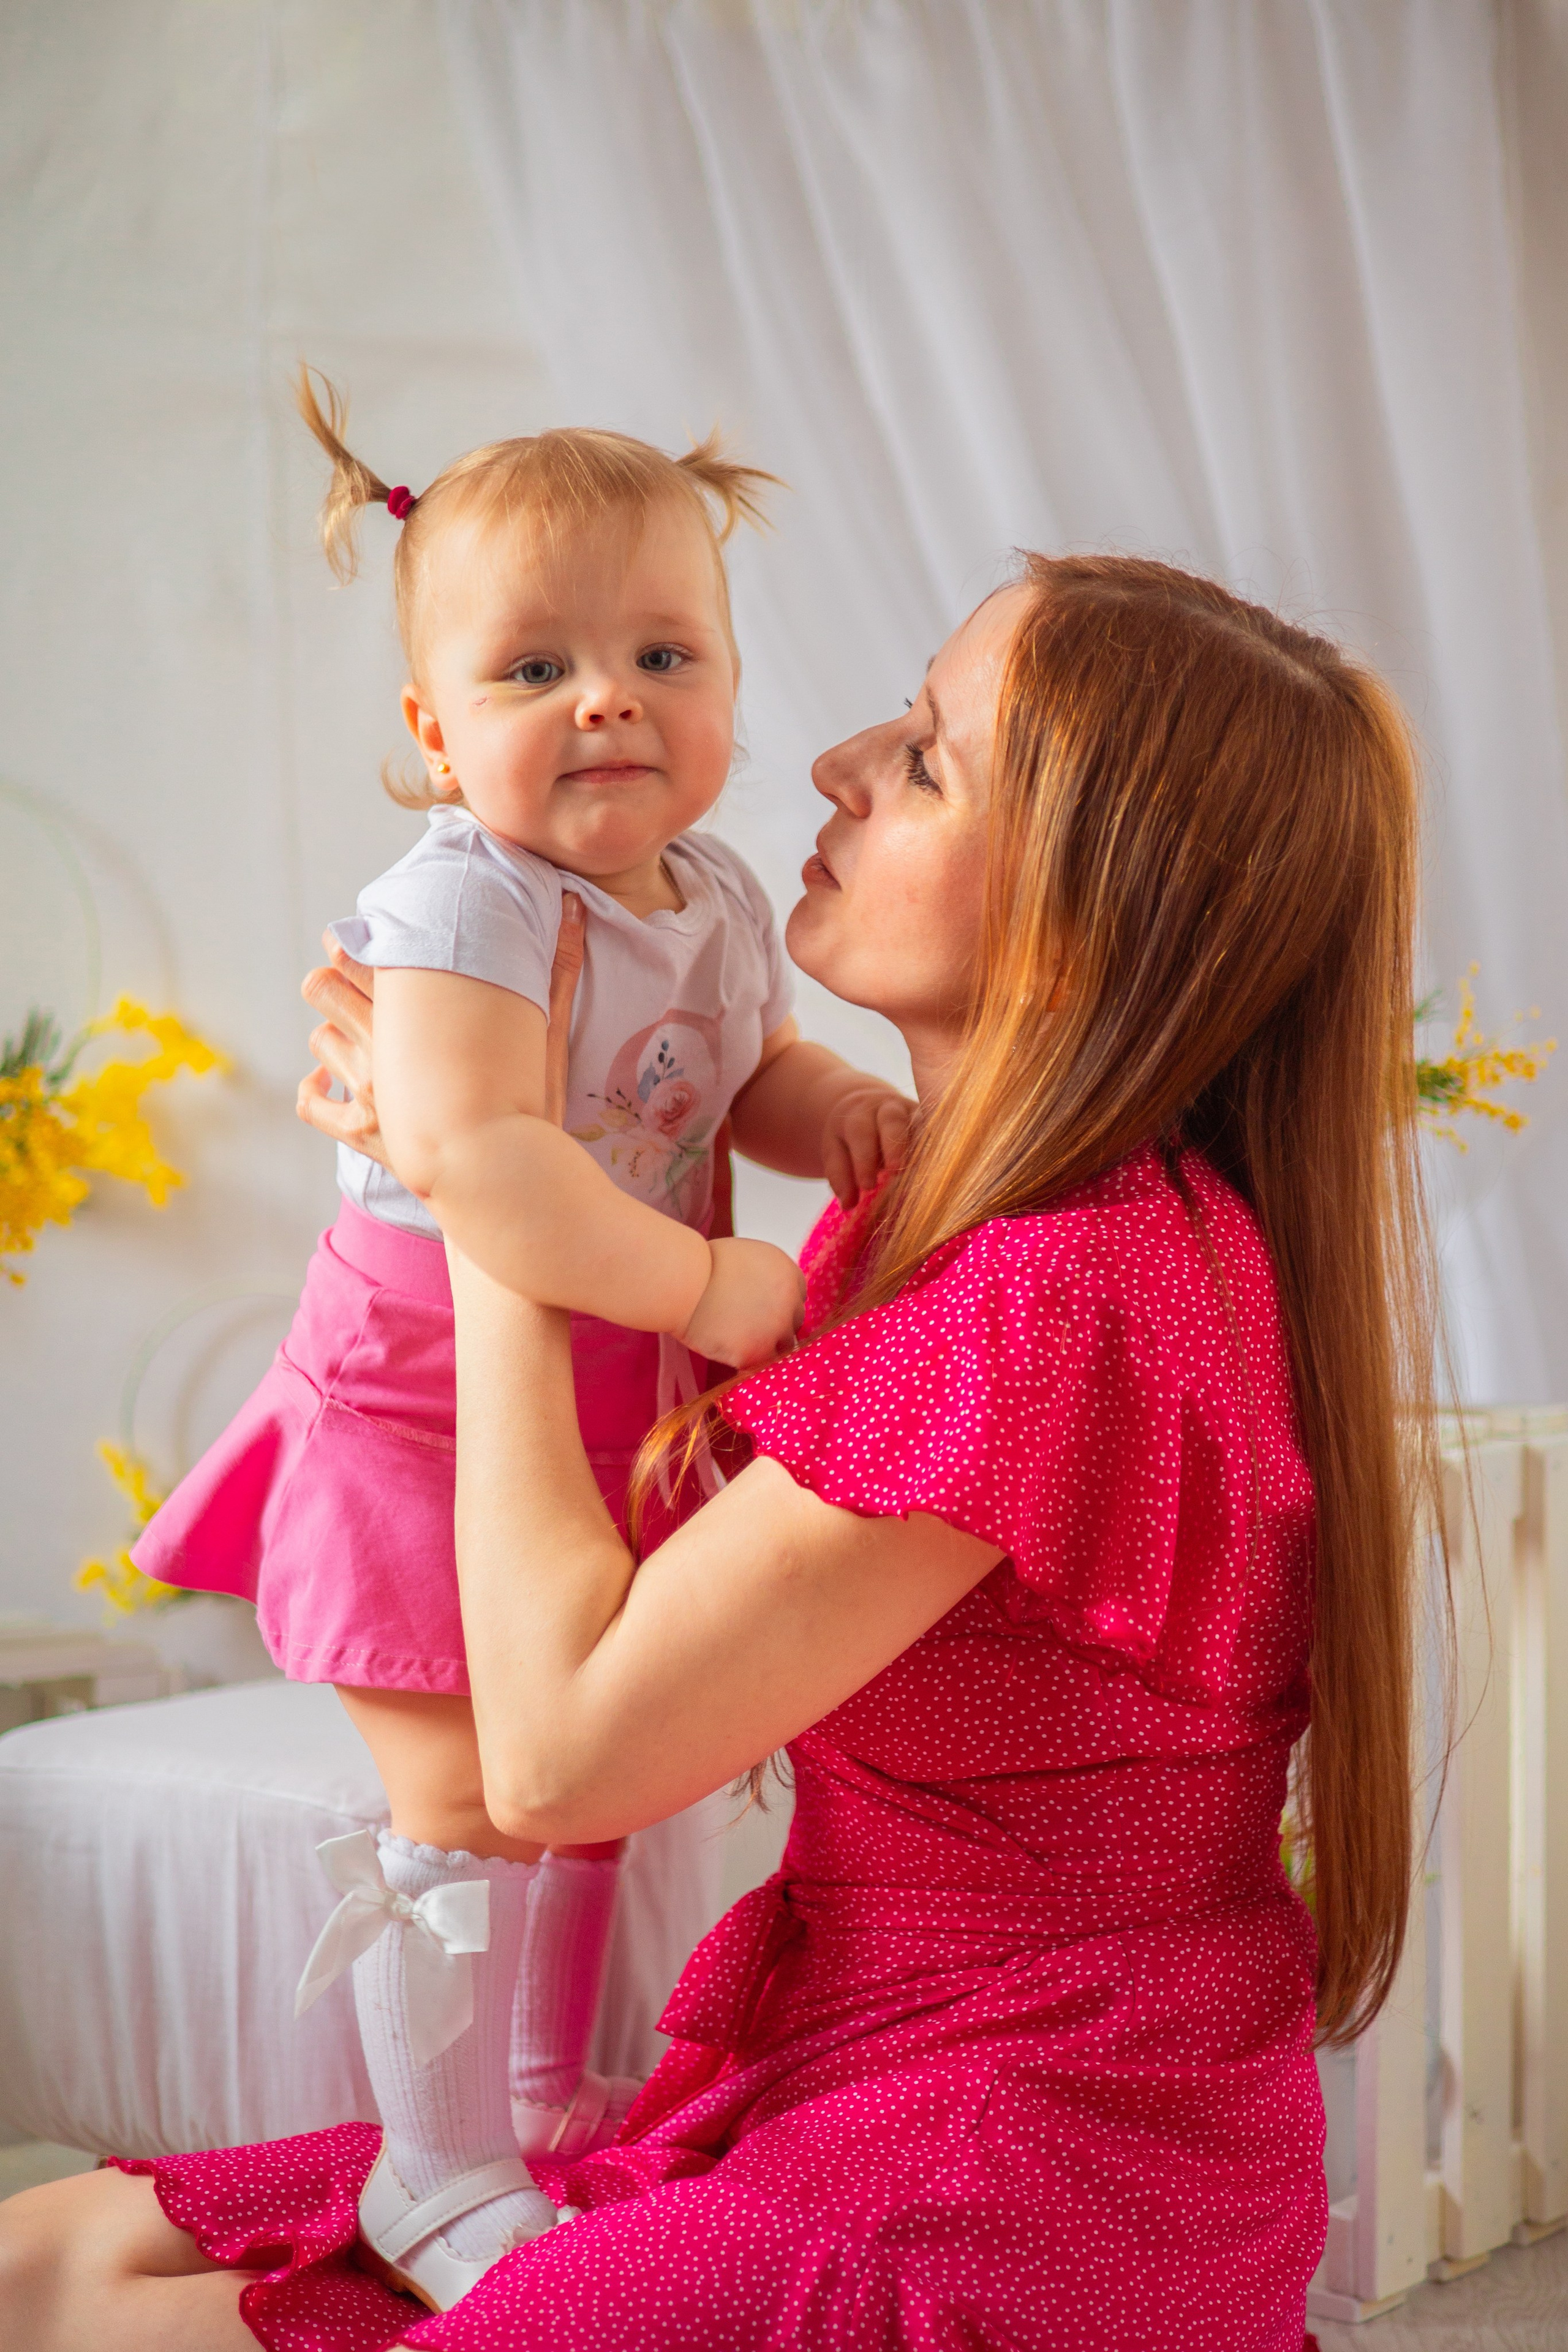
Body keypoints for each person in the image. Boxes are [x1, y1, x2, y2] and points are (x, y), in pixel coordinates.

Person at [0, 553, 1436, 2351]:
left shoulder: (1057, 1297)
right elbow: (673, 1570)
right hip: (898, 2073)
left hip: (1008, 2176)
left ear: (1084, 913)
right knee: (55, 2258)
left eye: (924, 757)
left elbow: (554, 1759)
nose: (835, 763)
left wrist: (493, 1186)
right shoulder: (959, 1212)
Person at [127, 374, 914, 2304]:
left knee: (594, 1771)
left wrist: (851, 1127)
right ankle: (434, 2156)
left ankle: (550, 2103)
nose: (608, 700)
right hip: (426, 1405)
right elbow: (483, 1159)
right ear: (432, 730)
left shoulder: (720, 895)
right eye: (535, 666)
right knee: (460, 1799)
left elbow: (749, 1077)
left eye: (663, 651)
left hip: (608, 1406)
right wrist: (723, 1287)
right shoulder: (458, 904)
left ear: (730, 681)